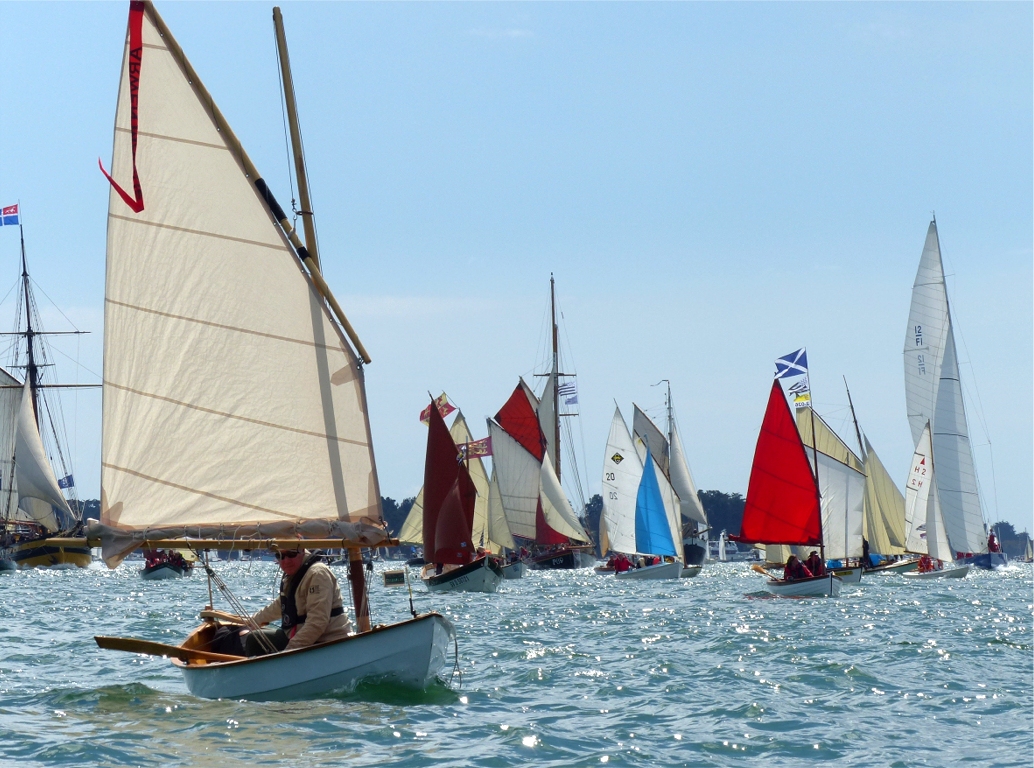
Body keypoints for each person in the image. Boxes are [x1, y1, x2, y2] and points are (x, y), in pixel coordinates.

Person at [243, 548, 352, 657]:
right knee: (252, 637)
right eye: (280, 556)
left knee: (254, 640)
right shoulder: (297, 572)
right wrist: (252, 622)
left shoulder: (317, 574)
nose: (286, 561)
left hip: (326, 641)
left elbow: (317, 622)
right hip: (300, 637)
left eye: (291, 554)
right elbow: (280, 605)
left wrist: (289, 652)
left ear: (302, 551)